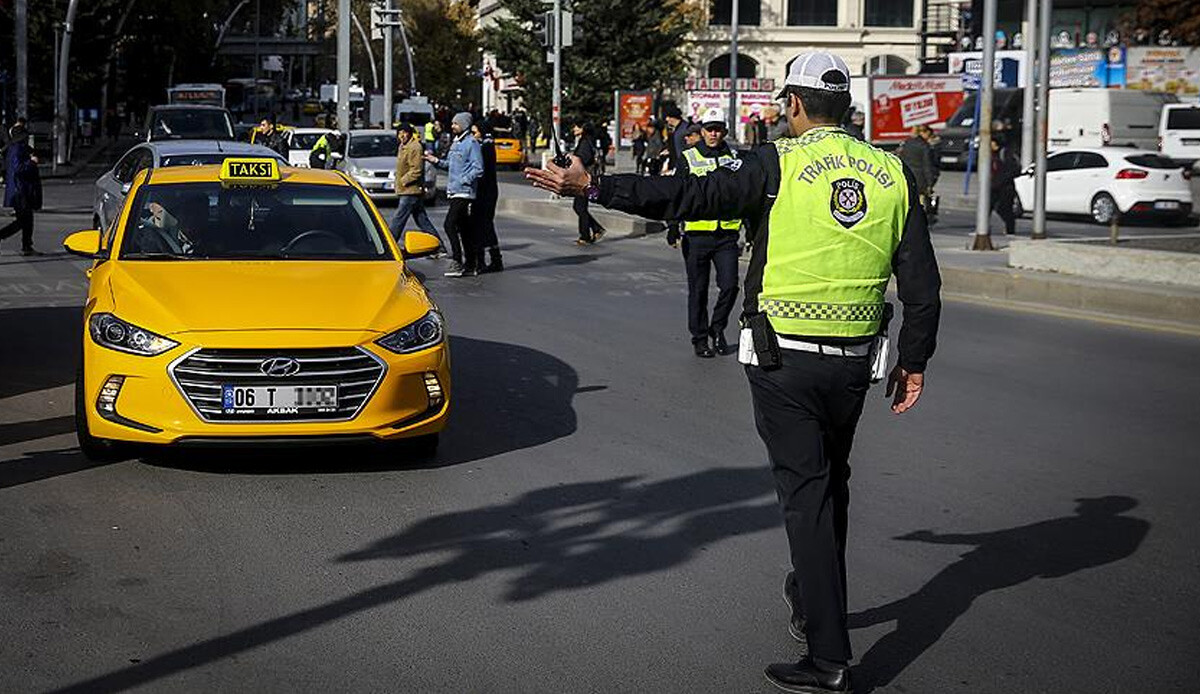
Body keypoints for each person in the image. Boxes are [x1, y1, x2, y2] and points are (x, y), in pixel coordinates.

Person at [526, 51, 941, 693]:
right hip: (856, 361)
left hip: (784, 360)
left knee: (808, 494)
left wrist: (594, 187)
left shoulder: (776, 162)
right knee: (832, 481)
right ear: (848, 107)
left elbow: (687, 195)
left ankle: (830, 658)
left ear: (794, 105)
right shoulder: (893, 172)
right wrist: (914, 359)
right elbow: (922, 283)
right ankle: (810, 598)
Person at [669, 108, 742, 359]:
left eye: (718, 129)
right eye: (709, 128)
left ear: (724, 131)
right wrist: (672, 225)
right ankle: (700, 338)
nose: (713, 133)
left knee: (730, 286)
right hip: (697, 235)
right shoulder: (689, 157)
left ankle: (717, 328)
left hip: (726, 236)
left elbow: (745, 193)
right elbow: (676, 193)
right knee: (698, 290)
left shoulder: (735, 157)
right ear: (701, 131)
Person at [425, 111, 483, 277]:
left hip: (464, 192)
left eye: (456, 124)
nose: (452, 126)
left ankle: (457, 261)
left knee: (449, 224)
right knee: (463, 228)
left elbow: (478, 168)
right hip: (454, 190)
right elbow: (451, 165)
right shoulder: (456, 143)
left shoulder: (471, 143)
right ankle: (471, 263)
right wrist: (435, 161)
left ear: (463, 125)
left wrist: (464, 180)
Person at [391, 124, 443, 247]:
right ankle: (439, 247)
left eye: (404, 132)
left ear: (409, 133)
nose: (401, 135)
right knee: (422, 220)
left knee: (398, 219)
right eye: (399, 133)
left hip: (410, 190)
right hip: (407, 189)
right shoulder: (403, 146)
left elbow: (416, 170)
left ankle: (389, 246)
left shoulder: (415, 147)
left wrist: (403, 181)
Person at [1, 122, 43, 256]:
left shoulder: (18, 148)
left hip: (21, 189)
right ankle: (22, 244)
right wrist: (32, 162)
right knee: (23, 220)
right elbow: (18, 169)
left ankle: (27, 246)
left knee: (27, 220)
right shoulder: (17, 149)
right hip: (20, 191)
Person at [470, 122, 503, 272]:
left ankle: (490, 260)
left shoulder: (486, 147)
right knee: (481, 225)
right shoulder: (485, 146)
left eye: (475, 133)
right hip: (484, 191)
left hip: (486, 192)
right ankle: (484, 259)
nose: (473, 136)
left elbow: (482, 171)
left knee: (484, 225)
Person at [571, 121, 606, 245]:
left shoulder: (585, 142)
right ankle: (596, 229)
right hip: (585, 178)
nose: (574, 128)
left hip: (584, 179)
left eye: (576, 126)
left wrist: (573, 160)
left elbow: (584, 159)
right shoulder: (587, 140)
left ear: (583, 128)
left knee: (580, 206)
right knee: (579, 206)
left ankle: (585, 236)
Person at [897, 125, 938, 218]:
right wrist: (930, 183)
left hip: (905, 176)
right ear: (925, 133)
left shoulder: (907, 143)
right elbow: (927, 166)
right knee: (919, 204)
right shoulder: (924, 147)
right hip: (920, 180)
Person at [989, 136, 1020, 235]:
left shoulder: (1005, 154)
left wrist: (999, 181)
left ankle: (1010, 229)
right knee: (986, 207)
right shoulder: (990, 155)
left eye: (991, 143)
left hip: (1005, 187)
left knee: (1004, 209)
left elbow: (1013, 170)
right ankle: (983, 227)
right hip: (993, 186)